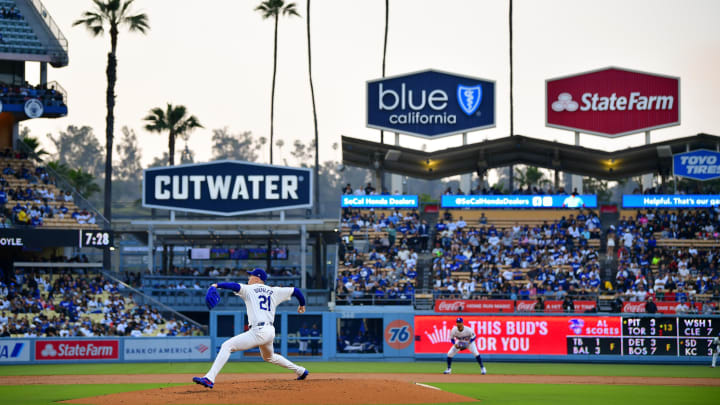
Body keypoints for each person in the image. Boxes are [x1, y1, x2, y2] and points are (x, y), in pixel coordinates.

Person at [192, 268, 309, 389]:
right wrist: (302, 304)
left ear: (257, 278)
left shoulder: (249, 289)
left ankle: (209, 378)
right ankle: (300, 371)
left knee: (227, 346)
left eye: (250, 276)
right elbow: (296, 291)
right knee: (269, 357)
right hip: (269, 331)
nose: (248, 278)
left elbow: (233, 286)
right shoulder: (274, 291)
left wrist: (216, 285)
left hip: (259, 331)